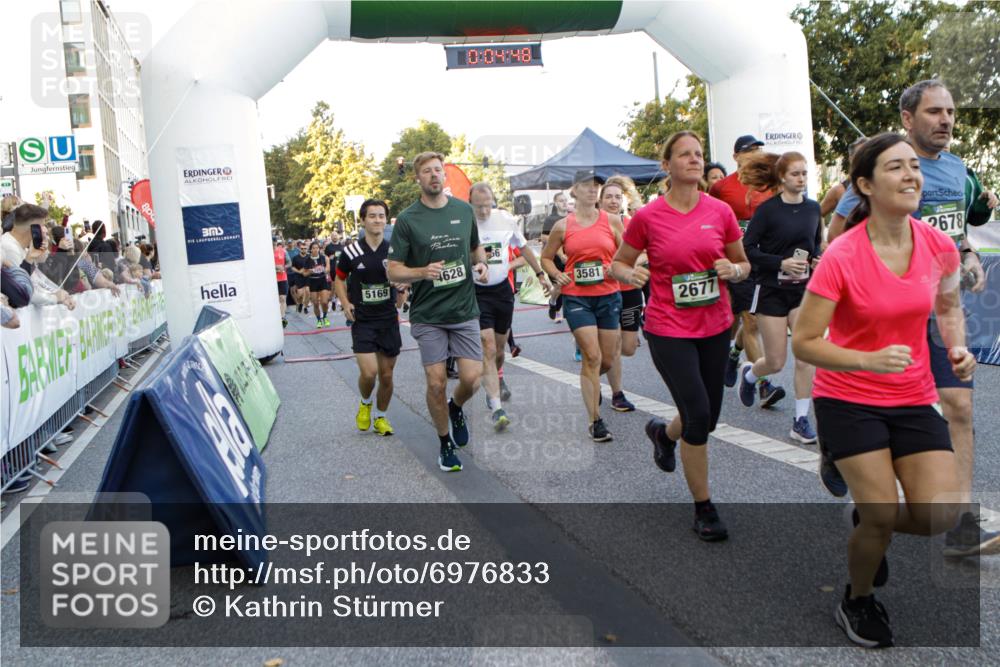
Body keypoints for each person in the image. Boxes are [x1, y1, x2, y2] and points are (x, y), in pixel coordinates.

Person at [792, 132, 974, 648]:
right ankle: (858, 597)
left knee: (942, 515)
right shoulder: (843, 257)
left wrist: (956, 347)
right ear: (866, 185)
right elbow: (804, 342)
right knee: (880, 518)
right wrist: (866, 359)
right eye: (896, 168)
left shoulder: (938, 245)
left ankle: (868, 520)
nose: (911, 175)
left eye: (914, 166)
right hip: (847, 394)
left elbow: (947, 307)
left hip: (912, 393)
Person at [827, 80, 998, 556]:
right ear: (908, 118)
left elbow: (956, 232)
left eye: (950, 111)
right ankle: (844, 452)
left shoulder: (960, 170)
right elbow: (837, 233)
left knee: (959, 407)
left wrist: (966, 254)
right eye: (933, 112)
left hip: (941, 309)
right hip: (884, 316)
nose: (945, 120)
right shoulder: (885, 165)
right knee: (878, 406)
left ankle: (960, 526)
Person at [612, 131, 750, 541]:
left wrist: (734, 271)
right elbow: (619, 263)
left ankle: (661, 433)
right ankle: (704, 507)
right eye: (685, 155)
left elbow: (742, 263)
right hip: (668, 327)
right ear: (667, 165)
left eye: (699, 154)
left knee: (706, 419)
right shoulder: (648, 217)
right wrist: (631, 273)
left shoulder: (720, 211)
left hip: (715, 324)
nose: (694, 160)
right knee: (697, 414)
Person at [387, 152, 488, 472]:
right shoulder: (407, 220)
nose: (434, 175)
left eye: (438, 170)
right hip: (428, 314)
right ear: (418, 178)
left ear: (444, 176)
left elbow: (475, 248)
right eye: (427, 171)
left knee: (472, 378)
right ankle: (445, 443)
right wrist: (421, 272)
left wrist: (481, 263)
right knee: (435, 382)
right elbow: (393, 271)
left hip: (463, 309)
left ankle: (455, 407)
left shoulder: (463, 210)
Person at [738, 151, 823, 444]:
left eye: (804, 174)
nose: (801, 179)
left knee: (806, 355)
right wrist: (780, 263)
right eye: (796, 174)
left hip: (802, 292)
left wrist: (817, 261)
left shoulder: (813, 209)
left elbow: (816, 246)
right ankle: (750, 374)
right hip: (772, 290)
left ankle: (800, 420)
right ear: (782, 178)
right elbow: (748, 248)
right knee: (775, 361)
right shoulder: (768, 211)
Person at [541, 169, 625, 442]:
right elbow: (546, 258)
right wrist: (556, 274)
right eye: (587, 186)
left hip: (608, 295)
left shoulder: (612, 221)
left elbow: (626, 255)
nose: (593, 190)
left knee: (608, 358)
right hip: (577, 297)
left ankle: (591, 383)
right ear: (574, 191)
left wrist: (617, 268)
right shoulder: (563, 226)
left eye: (596, 186)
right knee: (592, 356)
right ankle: (595, 421)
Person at [709, 135, 786, 406]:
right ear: (736, 157)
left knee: (745, 319)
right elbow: (711, 220)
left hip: (767, 259)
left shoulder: (771, 184)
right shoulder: (721, 188)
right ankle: (763, 384)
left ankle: (732, 357)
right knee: (750, 320)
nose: (754, 154)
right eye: (749, 151)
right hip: (738, 261)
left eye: (758, 150)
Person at [470, 182, 550, 431]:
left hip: (502, 292)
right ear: (470, 203)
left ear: (493, 201)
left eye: (487, 205)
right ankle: (496, 406)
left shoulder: (504, 219)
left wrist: (539, 274)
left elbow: (524, 247)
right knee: (488, 346)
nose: (483, 211)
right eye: (478, 206)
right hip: (476, 293)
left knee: (500, 348)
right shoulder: (464, 222)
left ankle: (498, 375)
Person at [335, 199, 403, 437]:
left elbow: (403, 277)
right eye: (372, 216)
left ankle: (381, 417)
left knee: (386, 375)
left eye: (381, 216)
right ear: (363, 221)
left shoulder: (394, 250)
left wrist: (402, 289)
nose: (377, 220)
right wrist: (345, 304)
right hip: (363, 320)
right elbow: (339, 279)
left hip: (388, 320)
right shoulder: (351, 251)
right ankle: (365, 403)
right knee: (369, 373)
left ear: (386, 219)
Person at [600, 176, 641, 412]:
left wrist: (635, 265)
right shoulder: (595, 224)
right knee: (613, 345)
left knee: (628, 348)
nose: (614, 201)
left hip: (630, 290)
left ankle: (592, 372)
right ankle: (617, 394)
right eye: (609, 197)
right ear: (601, 201)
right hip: (605, 291)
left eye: (617, 197)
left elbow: (645, 252)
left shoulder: (632, 223)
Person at [819, 137, 868, 220]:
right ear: (851, 158)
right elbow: (813, 218)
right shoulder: (839, 191)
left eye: (869, 154)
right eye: (860, 155)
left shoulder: (881, 188)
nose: (865, 159)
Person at [541, 192, 569, 322]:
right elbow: (544, 237)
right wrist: (560, 253)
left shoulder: (571, 217)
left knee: (566, 286)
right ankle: (553, 303)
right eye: (561, 201)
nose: (564, 203)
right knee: (559, 286)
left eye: (565, 200)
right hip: (554, 258)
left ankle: (561, 309)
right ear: (555, 203)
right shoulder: (551, 219)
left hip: (569, 256)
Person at [303, 241, 331, 328]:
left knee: (324, 302)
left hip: (322, 280)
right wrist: (310, 271)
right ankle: (319, 320)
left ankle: (325, 317)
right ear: (311, 249)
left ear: (319, 249)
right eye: (313, 248)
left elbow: (328, 269)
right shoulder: (307, 260)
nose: (315, 250)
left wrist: (323, 269)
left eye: (317, 248)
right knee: (315, 303)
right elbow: (304, 273)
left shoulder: (323, 258)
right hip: (313, 282)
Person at [290, 240, 311, 313]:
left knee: (308, 291)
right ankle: (300, 303)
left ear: (307, 249)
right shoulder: (296, 258)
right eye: (302, 248)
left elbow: (312, 266)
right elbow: (292, 267)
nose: (303, 250)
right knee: (300, 294)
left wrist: (308, 271)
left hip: (307, 277)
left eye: (305, 248)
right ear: (299, 249)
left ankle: (305, 307)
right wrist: (299, 271)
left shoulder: (309, 257)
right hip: (299, 277)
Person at [273, 237, 289, 327]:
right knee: (275, 300)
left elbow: (289, 262)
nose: (273, 243)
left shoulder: (283, 251)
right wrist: (274, 267)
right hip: (271, 279)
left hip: (282, 278)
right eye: (272, 242)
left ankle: (282, 318)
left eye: (274, 242)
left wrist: (283, 267)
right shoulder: (266, 252)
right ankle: (275, 317)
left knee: (282, 298)